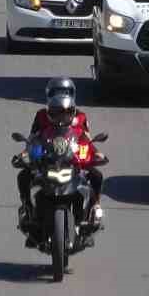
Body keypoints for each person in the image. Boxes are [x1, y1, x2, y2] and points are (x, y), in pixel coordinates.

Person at [15, 78, 105, 246]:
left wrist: (95, 153)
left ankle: (94, 208)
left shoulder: (81, 116)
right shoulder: (41, 115)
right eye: (56, 93)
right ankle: (27, 208)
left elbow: (86, 138)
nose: (61, 114)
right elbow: (33, 137)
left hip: (72, 159)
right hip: (48, 159)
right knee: (24, 175)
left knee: (96, 175)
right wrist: (26, 153)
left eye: (65, 93)